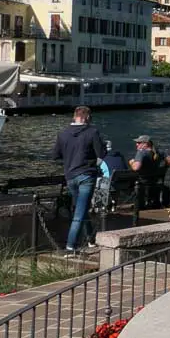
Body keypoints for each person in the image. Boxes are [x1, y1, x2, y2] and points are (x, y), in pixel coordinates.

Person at [51, 106, 107, 252]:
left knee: (82, 208)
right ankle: (70, 246)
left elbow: (55, 155)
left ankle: (90, 239)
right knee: (79, 212)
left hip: (70, 175)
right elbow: (101, 153)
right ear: (87, 118)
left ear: (74, 116)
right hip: (86, 174)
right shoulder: (92, 132)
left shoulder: (62, 134)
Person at [129, 135, 170, 208]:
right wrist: (164, 168)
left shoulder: (141, 153)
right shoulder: (159, 152)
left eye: (139, 142)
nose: (136, 144)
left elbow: (136, 168)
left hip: (142, 181)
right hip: (154, 180)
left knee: (128, 181)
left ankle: (138, 202)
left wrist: (131, 163)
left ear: (146, 144)